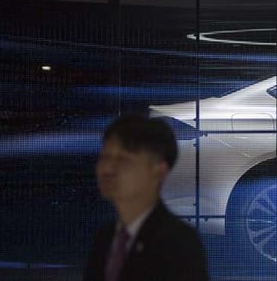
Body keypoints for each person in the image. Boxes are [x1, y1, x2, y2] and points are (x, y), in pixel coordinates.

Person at [84, 114, 208, 281]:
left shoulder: (178, 243)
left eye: (123, 160)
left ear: (158, 171)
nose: (107, 170)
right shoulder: (104, 239)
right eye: (105, 157)